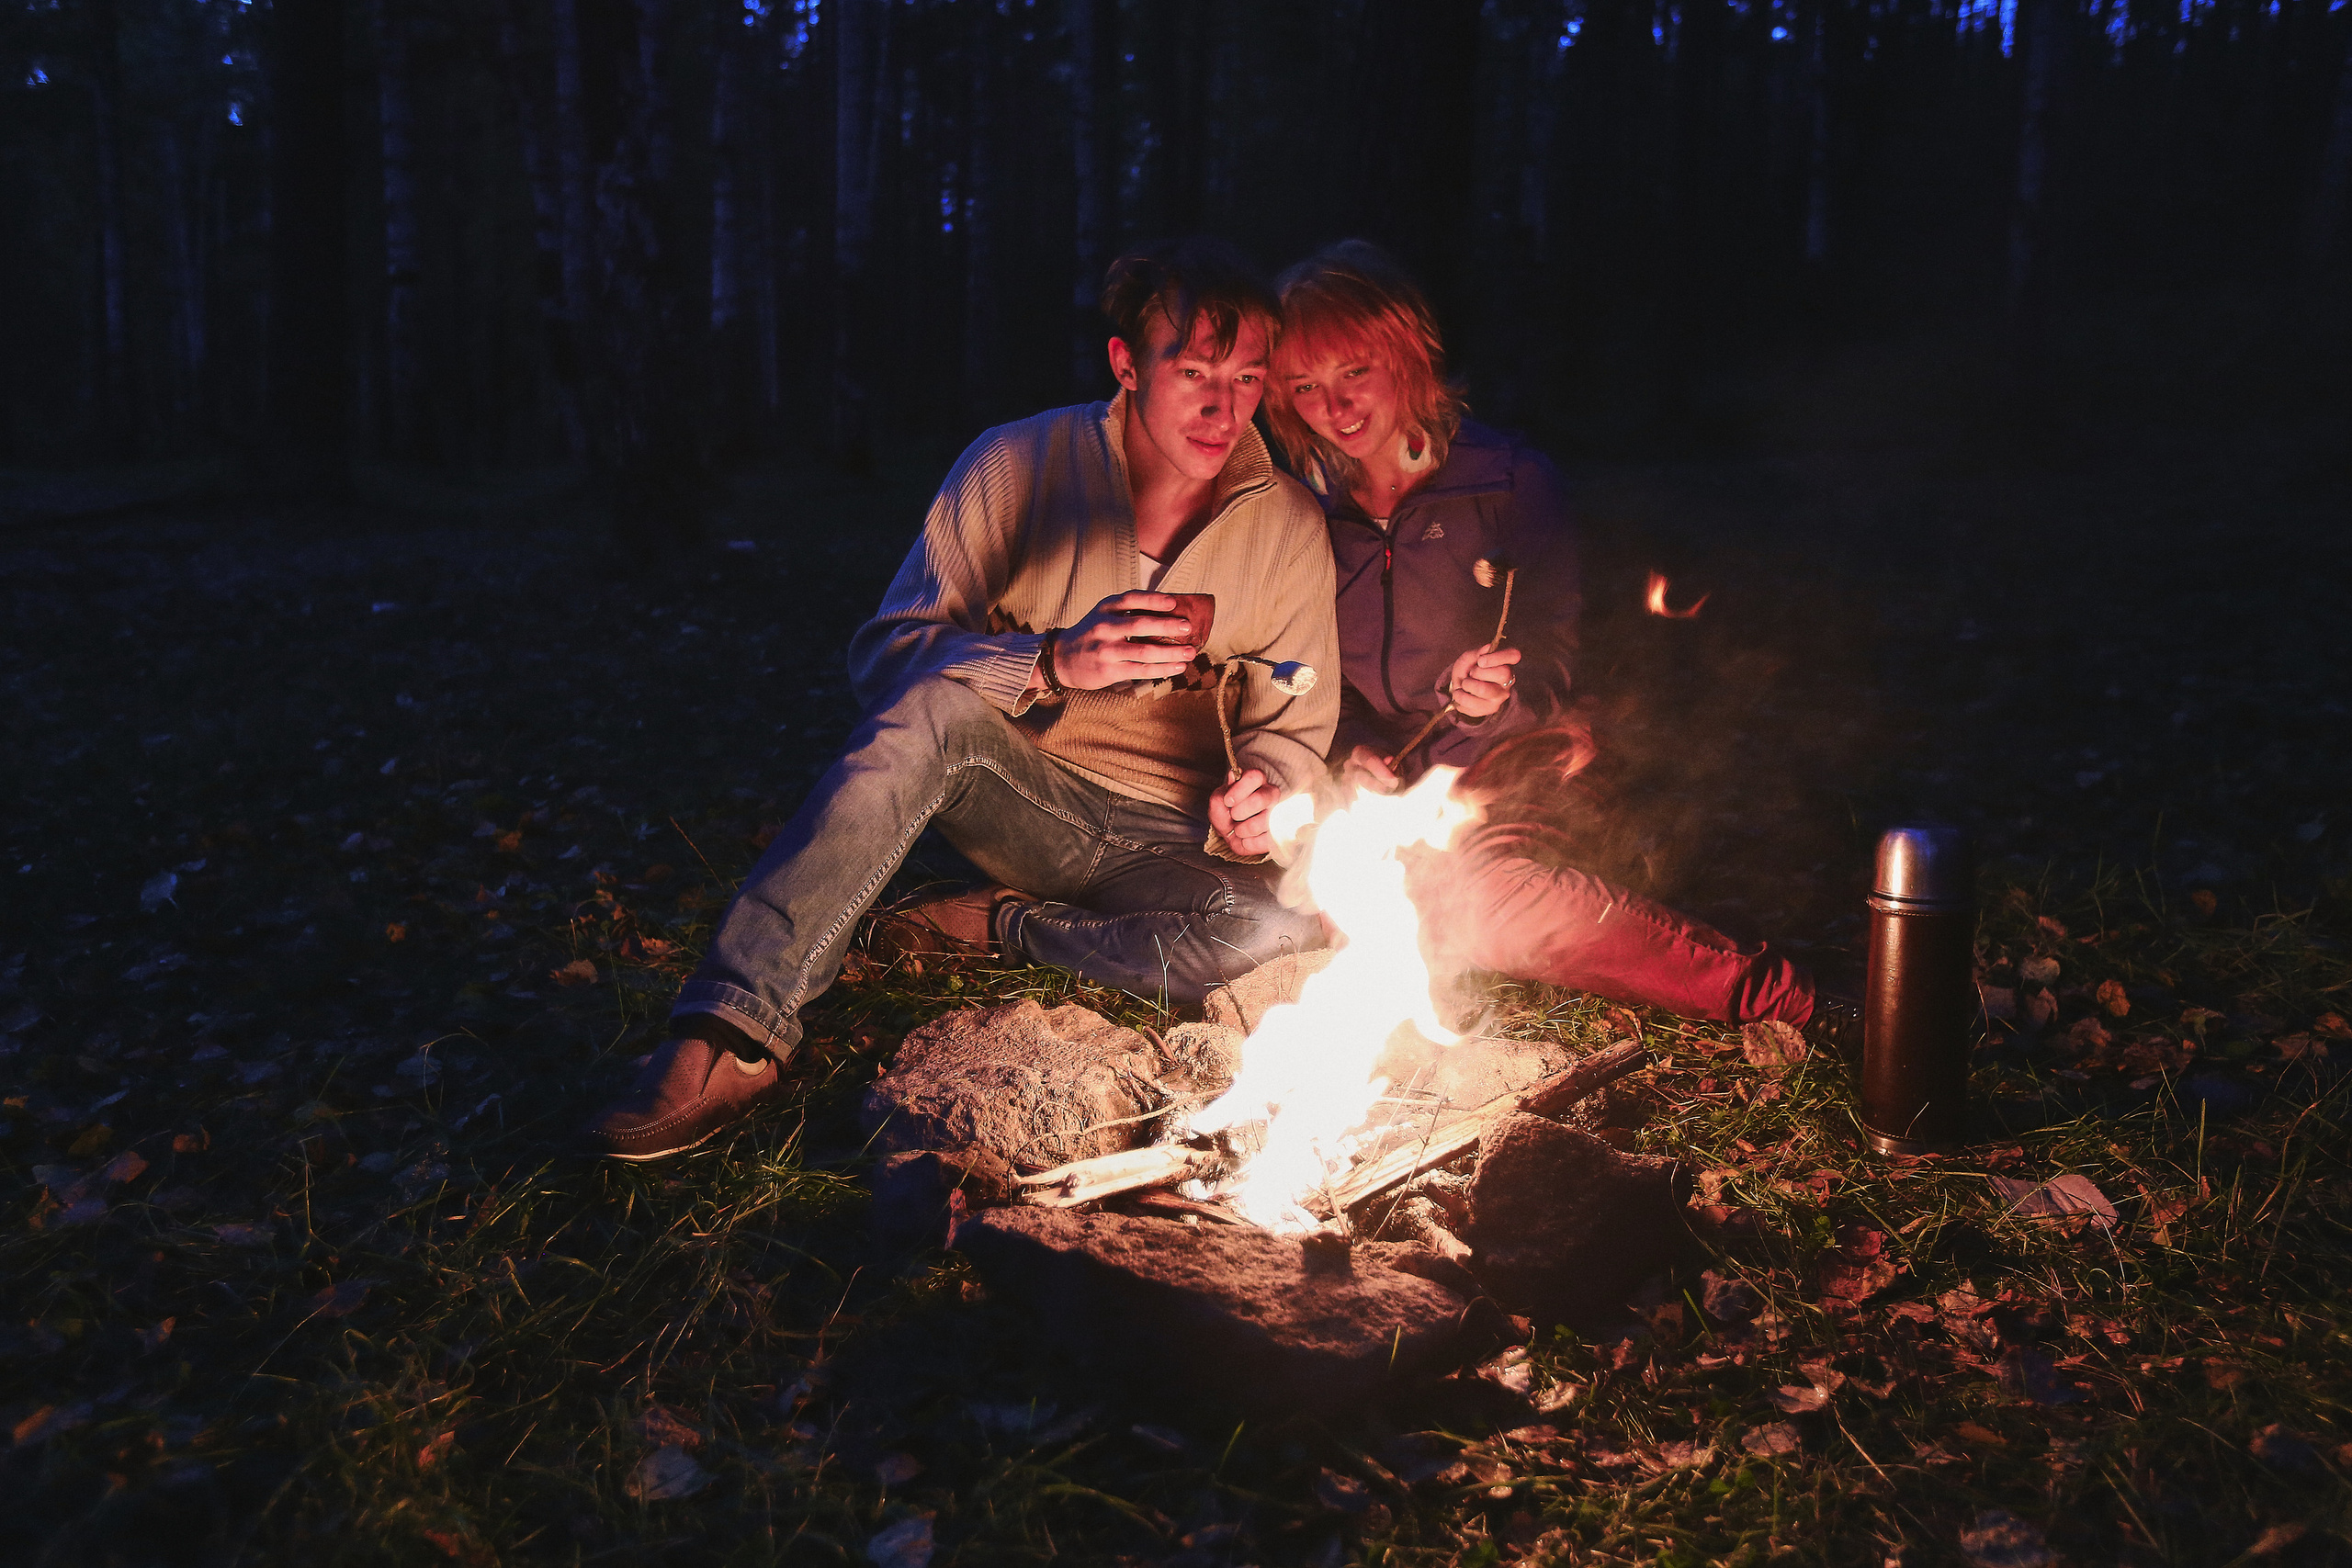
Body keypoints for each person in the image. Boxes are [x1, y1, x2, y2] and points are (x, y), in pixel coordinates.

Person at [585, 239, 1339, 1160]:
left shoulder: (1289, 523)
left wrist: (1269, 786)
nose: (1223, 408)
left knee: (1282, 931)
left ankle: (999, 924)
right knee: (931, 714)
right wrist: (1051, 663)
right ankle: (732, 1029)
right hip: (1027, 799)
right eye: (1192, 373)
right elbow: (885, 660)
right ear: (1127, 365)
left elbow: (1298, 720)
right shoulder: (1015, 466)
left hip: (1178, 842)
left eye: (1248, 378)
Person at [1267, 241, 1849, 1036]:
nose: (1333, 407)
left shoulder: (1508, 482)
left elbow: (1555, 652)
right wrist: (1351, 749)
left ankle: (1793, 999)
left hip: (1531, 759)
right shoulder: (1307, 515)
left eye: (1354, 371)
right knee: (1342, 905)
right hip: (1395, 790)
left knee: (1488, 905)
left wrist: (1501, 689)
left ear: (1407, 351)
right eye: (1304, 385)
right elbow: (1316, 674)